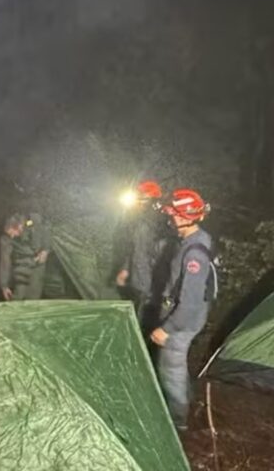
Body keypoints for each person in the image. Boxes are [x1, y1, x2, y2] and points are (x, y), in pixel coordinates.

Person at [151, 188, 216, 431]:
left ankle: (176, 422)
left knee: (171, 370)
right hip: (189, 316)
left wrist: (167, 328)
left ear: (184, 216)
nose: (171, 219)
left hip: (183, 320)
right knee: (177, 366)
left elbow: (189, 301)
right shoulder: (196, 239)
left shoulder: (194, 252)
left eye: (174, 214)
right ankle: (186, 405)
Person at [115, 180, 170, 329]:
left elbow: (159, 257)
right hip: (139, 281)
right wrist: (126, 269)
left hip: (149, 285)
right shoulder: (140, 221)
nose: (137, 203)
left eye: (141, 199)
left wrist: (150, 287)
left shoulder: (159, 225)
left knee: (143, 323)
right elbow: (135, 248)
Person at [0, 213, 50, 301]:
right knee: (18, 296)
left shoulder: (30, 222)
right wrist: (4, 285)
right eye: (9, 234)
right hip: (20, 266)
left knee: (33, 296)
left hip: (37, 265)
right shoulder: (6, 239)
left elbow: (45, 231)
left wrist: (46, 250)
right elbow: (5, 262)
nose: (12, 236)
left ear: (18, 227)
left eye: (12, 232)